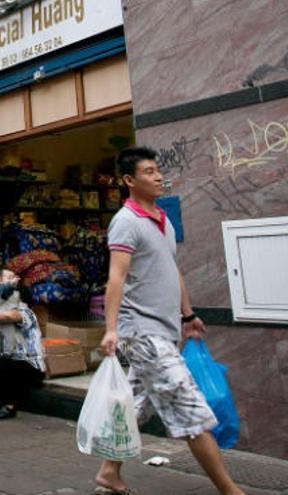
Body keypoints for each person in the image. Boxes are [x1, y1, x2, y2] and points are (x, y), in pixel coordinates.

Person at [95, 147, 245, 495]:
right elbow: (116, 278)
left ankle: (108, 472)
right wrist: (111, 329)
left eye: (158, 170)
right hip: (143, 334)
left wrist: (188, 315)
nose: (159, 176)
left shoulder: (162, 219)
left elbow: (171, 271)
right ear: (129, 180)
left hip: (165, 329)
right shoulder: (125, 222)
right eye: (149, 172)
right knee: (189, 410)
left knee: (133, 404)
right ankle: (231, 491)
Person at [0, 268, 45, 420]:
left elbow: (6, 317)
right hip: (15, 362)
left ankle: (10, 407)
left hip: (32, 368)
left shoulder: (25, 312)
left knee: (6, 362)